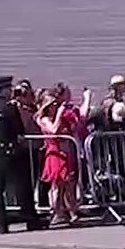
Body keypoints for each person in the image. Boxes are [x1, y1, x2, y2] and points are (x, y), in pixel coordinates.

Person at [0, 76, 43, 233]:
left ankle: (2, 224)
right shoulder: (9, 107)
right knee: (23, 186)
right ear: (4, 89)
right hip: (12, 151)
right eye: (9, 88)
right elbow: (19, 130)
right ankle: (30, 219)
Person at [36, 84, 84, 226]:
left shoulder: (60, 116)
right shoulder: (44, 119)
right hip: (54, 153)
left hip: (65, 152)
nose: (55, 106)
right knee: (57, 186)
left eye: (56, 104)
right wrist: (58, 114)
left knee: (69, 184)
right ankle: (56, 212)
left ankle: (72, 212)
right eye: (52, 104)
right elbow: (54, 130)